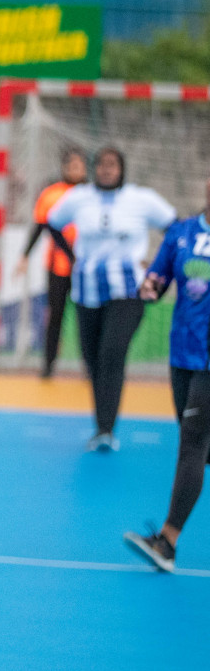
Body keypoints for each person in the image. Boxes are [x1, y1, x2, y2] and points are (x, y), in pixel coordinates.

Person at [47, 147, 177, 451]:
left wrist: (157, 267)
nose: (107, 170)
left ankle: (106, 429)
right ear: (94, 169)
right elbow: (51, 224)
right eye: (102, 165)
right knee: (92, 359)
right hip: (87, 291)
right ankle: (100, 425)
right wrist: (72, 257)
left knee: (111, 353)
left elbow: (176, 228)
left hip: (127, 292)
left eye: (113, 165)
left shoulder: (141, 200)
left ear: (122, 168)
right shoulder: (79, 198)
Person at [131, 181, 210, 571]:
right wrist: (148, 285)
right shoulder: (182, 233)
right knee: (200, 445)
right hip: (182, 354)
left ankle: (168, 541)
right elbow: (157, 281)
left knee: (193, 443)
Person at [18, 148, 87, 378]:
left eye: (80, 165)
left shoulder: (92, 195)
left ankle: (89, 365)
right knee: (55, 315)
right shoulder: (51, 194)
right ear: (65, 167)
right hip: (58, 266)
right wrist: (25, 255)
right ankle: (48, 365)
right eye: (72, 165)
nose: (76, 169)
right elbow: (40, 226)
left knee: (87, 317)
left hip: (86, 269)